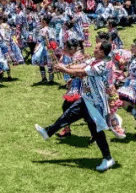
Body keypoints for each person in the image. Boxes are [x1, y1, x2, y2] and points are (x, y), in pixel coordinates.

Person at [34, 40, 116, 172]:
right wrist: (64, 67)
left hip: (95, 103)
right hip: (87, 99)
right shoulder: (94, 61)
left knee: (96, 131)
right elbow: (80, 67)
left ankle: (108, 158)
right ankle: (48, 132)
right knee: (68, 114)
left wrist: (64, 69)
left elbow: (82, 73)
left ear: (102, 52)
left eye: (96, 48)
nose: (93, 49)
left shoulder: (102, 65)